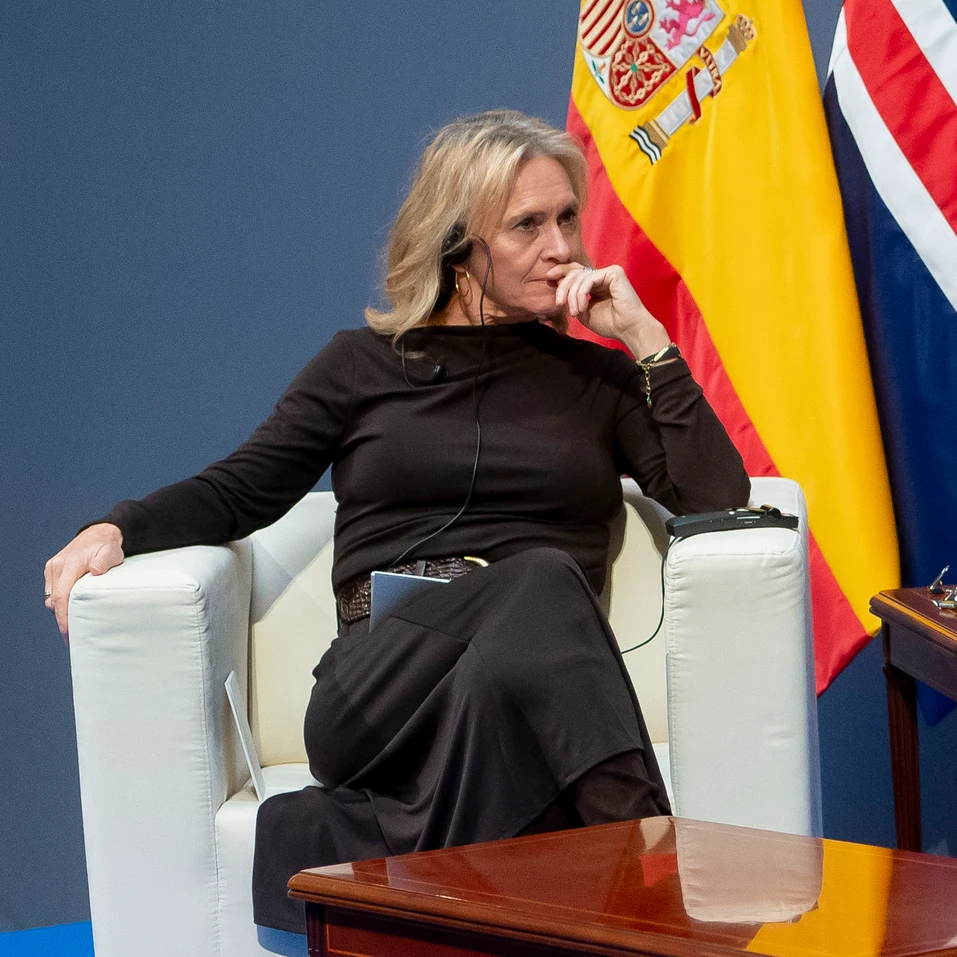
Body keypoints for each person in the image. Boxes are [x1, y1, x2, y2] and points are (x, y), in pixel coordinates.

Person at [41, 109, 750, 932]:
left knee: (538, 603)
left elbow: (719, 502)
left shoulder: (598, 380)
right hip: (378, 685)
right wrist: (119, 526)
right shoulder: (361, 367)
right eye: (527, 224)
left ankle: (509, 901)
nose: (562, 246)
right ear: (456, 242)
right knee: (547, 575)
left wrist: (648, 342)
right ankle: (661, 889)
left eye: (566, 218)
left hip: (512, 696)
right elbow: (242, 490)